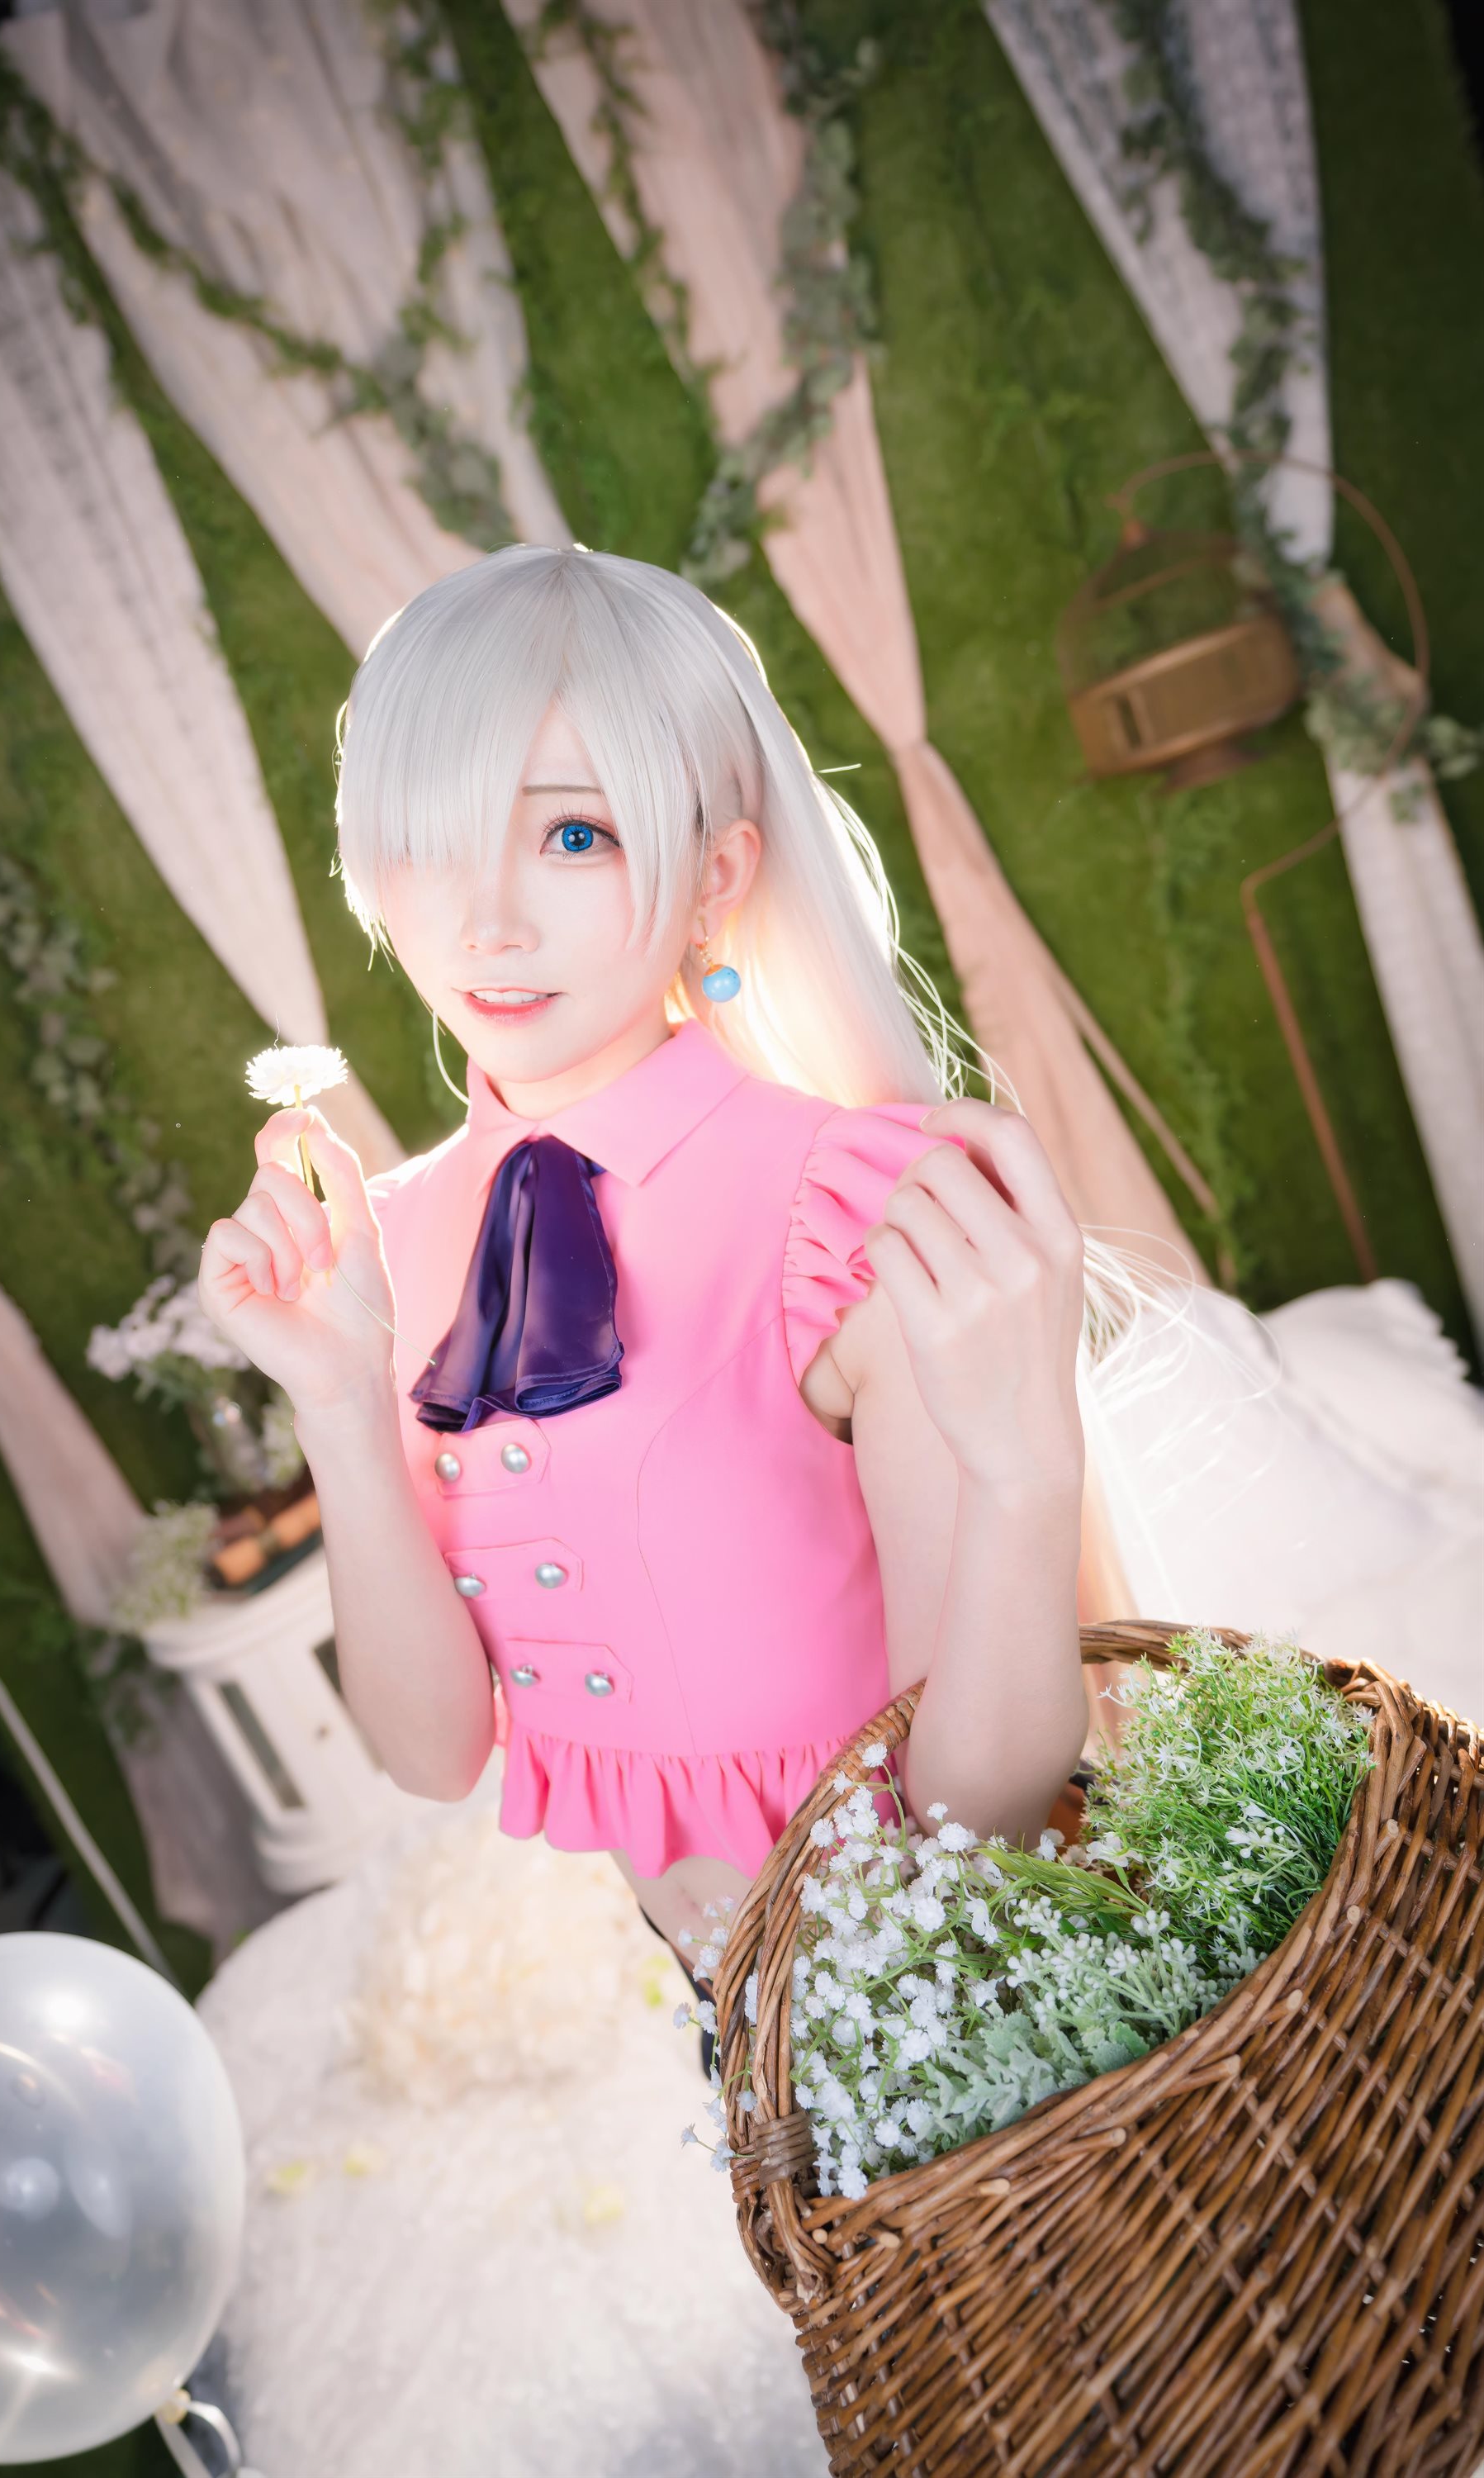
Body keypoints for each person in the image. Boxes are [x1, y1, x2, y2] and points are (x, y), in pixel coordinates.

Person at [197, 546, 1092, 1972]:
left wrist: (1030, 1472)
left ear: (712, 876)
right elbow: (432, 1756)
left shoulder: (860, 1211)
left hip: (985, 1988)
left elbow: (976, 1814)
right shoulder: (394, 1241)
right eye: (434, 840)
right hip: (722, 2028)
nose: (488, 922)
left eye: (573, 835)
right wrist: (340, 1403)